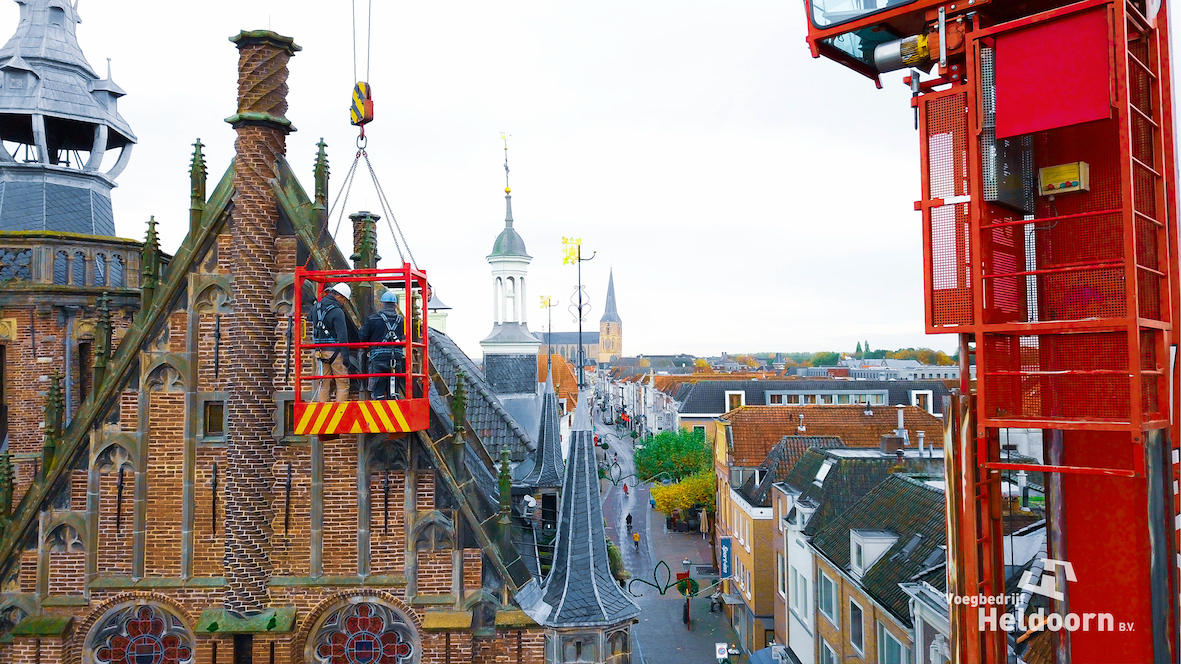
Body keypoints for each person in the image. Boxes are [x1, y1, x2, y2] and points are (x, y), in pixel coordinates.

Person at [358, 290, 405, 399]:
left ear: (382, 304)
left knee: (378, 393)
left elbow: (362, 337)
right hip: (396, 359)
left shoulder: (373, 319)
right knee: (393, 392)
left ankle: (379, 404)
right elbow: (402, 337)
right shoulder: (401, 321)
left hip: (378, 359)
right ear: (395, 305)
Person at [309, 285, 351, 402]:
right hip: (335, 352)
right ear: (339, 296)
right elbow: (342, 335)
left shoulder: (316, 307)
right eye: (344, 299)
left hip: (319, 351)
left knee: (323, 384)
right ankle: (339, 411)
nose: (343, 303)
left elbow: (309, 318)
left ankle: (323, 410)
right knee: (342, 384)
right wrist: (346, 358)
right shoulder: (337, 311)